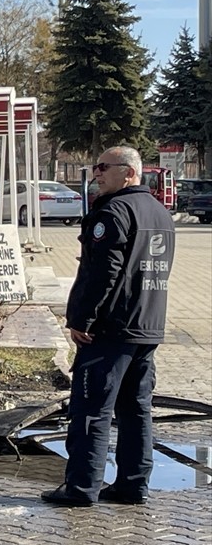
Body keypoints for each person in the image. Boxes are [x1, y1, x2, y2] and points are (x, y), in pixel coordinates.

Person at [42, 145, 175, 507]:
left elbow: (105, 272)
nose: (96, 173)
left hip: (110, 330)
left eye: (104, 167)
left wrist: (83, 319)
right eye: (95, 166)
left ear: (129, 173)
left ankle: (81, 487)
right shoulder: (159, 213)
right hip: (146, 326)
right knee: (136, 409)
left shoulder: (114, 211)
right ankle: (133, 485)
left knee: (91, 410)